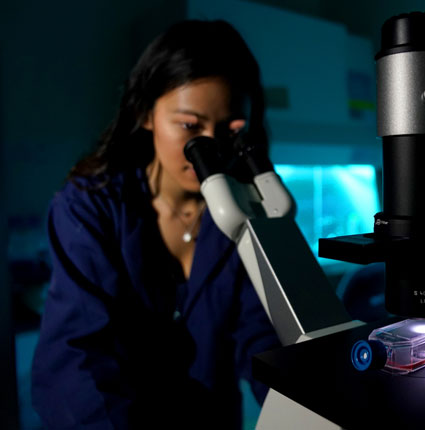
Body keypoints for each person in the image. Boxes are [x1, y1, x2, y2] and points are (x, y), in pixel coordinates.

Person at [31, 20, 280, 429]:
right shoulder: (90, 208)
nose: (210, 150)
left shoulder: (244, 212)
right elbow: (77, 360)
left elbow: (263, 341)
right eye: (189, 126)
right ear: (145, 113)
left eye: (228, 131)